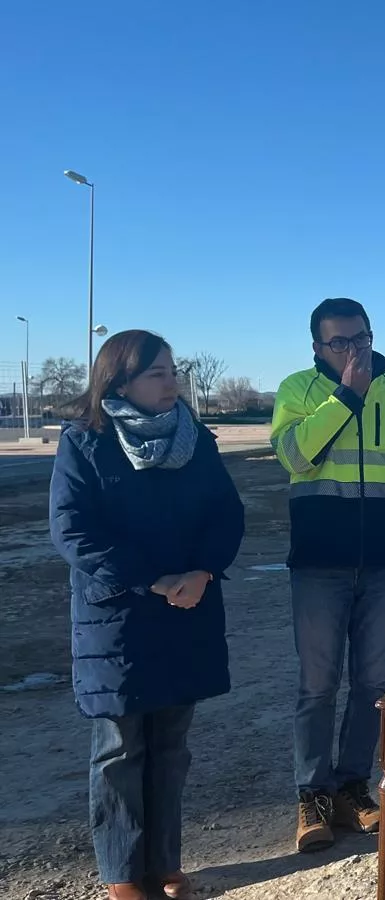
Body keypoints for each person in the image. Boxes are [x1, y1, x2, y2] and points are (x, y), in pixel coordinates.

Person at [49, 330, 246, 900]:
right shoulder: (85, 443)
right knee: (119, 748)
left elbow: (226, 514)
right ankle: (121, 873)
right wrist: (151, 579)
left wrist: (203, 571)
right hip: (118, 620)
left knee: (171, 748)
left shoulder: (195, 439)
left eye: (173, 372)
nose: (172, 383)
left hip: (187, 609)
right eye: (158, 373)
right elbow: (72, 531)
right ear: (120, 382)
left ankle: (164, 864)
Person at [270, 297, 385, 853]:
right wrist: (346, 396)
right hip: (320, 561)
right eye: (338, 342)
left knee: (371, 684)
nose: (352, 349)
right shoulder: (297, 391)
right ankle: (312, 794)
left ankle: (351, 786)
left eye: (360, 338)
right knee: (317, 685)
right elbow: (295, 457)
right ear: (317, 346)